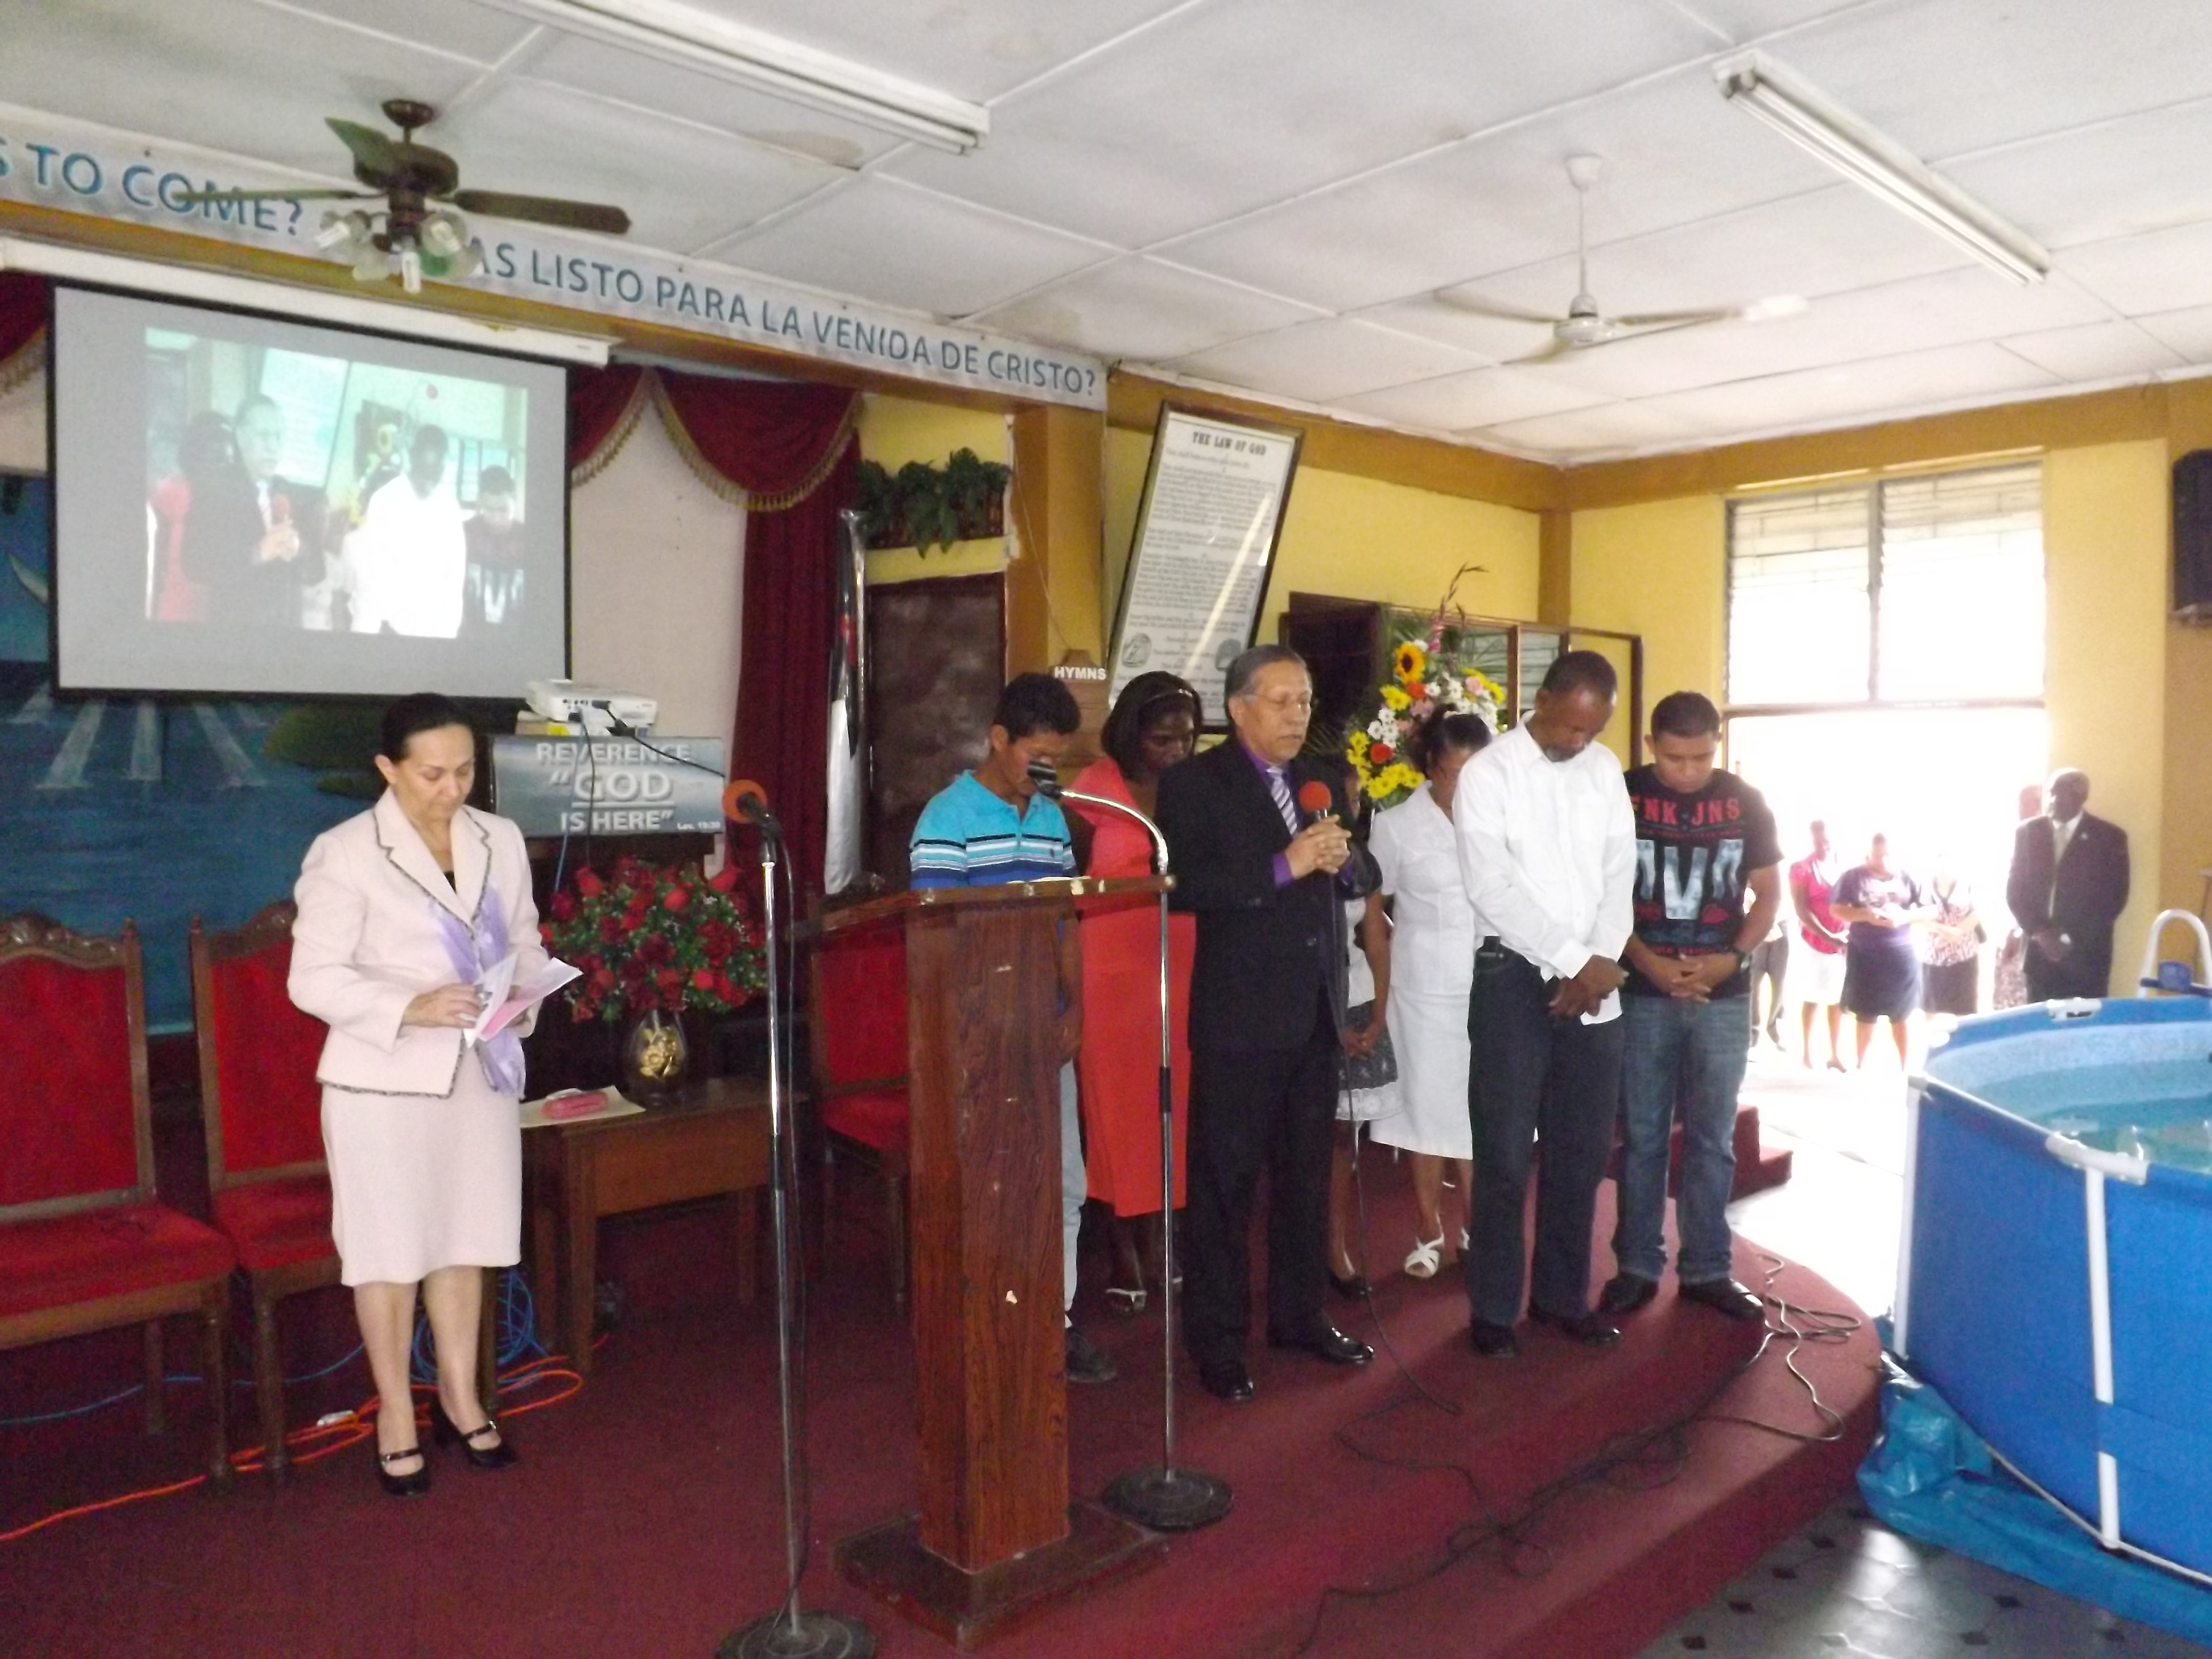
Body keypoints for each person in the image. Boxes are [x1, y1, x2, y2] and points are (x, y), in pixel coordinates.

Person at [287, 693, 541, 1498]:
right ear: (388, 769)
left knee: (466, 1238)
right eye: (432, 774)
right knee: (392, 1251)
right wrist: (410, 1006)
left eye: (465, 771)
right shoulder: (345, 851)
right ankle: (396, 1411)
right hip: (383, 1081)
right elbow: (311, 979)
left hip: (479, 1071)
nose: (451, 788)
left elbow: (526, 941)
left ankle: (460, 1397)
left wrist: (523, 998)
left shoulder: (500, 839)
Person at [1155, 644, 1376, 1403]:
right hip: (1239, 1018)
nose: (1297, 715)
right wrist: (1285, 865)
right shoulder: (1194, 783)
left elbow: (1362, 873)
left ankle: (1299, 1316)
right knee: (1225, 1185)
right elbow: (1185, 884)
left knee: (1306, 1177)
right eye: (1281, 701)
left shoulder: (1320, 781)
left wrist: (1345, 862)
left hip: (1314, 1012)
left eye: (1305, 701)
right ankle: (1217, 1341)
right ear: (1239, 707)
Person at [909, 672, 1114, 1386]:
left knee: (1062, 1181)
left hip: (1043, 1026)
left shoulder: (1053, 819)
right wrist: (975, 1024)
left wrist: (1074, 1008)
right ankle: (988, 1323)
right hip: (979, 1034)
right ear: (998, 739)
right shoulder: (947, 818)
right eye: (1037, 756)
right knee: (990, 1186)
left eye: (1057, 757)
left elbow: (1064, 920)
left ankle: (1055, 1319)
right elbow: (937, 938)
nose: (1047, 770)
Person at [1454, 650, 1636, 1359]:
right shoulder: (1489, 773)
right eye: (1569, 727)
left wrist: (1598, 963)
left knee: (1581, 1152)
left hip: (1594, 978)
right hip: (1512, 976)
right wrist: (1573, 959)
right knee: (1504, 1154)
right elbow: (1491, 888)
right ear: (1543, 700)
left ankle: (1562, 1298)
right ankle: (1494, 1310)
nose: (1578, 741)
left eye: (1592, 731)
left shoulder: (1604, 771)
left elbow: (1620, 874)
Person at [1603, 691, 1780, 1326]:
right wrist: (1646, 961)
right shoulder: (1620, 795)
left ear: (1716, 745)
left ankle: (1707, 1269)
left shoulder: (1745, 800)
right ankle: (1636, 1267)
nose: (1687, 771)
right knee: (1643, 1137)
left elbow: (1767, 895)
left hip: (1721, 995)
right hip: (1643, 990)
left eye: (1701, 758)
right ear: (1651, 745)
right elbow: (1599, 894)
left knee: (1712, 1139)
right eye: (1674, 758)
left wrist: (1730, 959)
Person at [1065, 672, 1201, 1315]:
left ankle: (1164, 1239)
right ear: (1129, 733)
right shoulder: (1092, 790)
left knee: (1174, 1107)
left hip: (1183, 962)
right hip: (1112, 967)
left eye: (1187, 737)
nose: (1176, 749)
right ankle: (1123, 1248)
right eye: (1161, 738)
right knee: (1117, 1113)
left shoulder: (1195, 788)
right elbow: (1067, 885)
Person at [1367, 710, 1489, 1280]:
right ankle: (1427, 1229)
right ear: (1431, 767)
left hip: (1487, 987)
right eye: (1454, 773)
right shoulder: (1396, 826)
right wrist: (1383, 986)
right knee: (1425, 1111)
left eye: (1476, 773)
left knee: (1477, 1112)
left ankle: (1477, 1229)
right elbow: (1373, 913)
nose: (1464, 786)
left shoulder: (1502, 821)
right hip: (1421, 993)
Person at [1327, 882, 1398, 1295]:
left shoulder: (1359, 863)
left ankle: (1334, 1247)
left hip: (1354, 995)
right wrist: (1332, 1024)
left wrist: (1377, 1015)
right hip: (1304, 1004)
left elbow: (1376, 942)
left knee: (1343, 1134)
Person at [2006, 769, 2130, 1003]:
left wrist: (2067, 938)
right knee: (2041, 1021)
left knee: (2082, 1022)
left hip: (2085, 958)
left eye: (2061, 794)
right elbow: (2015, 892)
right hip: (2039, 956)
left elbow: (2114, 899)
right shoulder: (2028, 833)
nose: (2053, 801)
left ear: (2081, 797)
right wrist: (2041, 933)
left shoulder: (2110, 838)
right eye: (2051, 793)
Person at [351, 425, 467, 639]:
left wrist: (448, 632)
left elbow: (454, 578)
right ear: (412, 459)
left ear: (444, 468)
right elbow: (370, 581)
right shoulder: (385, 501)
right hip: (387, 629)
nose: (428, 481)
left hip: (433, 632)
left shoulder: (449, 508)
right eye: (423, 470)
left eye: (435, 472)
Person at [1830, 832, 1934, 1068]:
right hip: (1864, 953)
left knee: (1901, 1014)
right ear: (1869, 853)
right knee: (1865, 1013)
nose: (1883, 861)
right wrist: (1865, 915)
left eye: (1887, 855)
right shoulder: (1853, 877)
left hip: (1901, 954)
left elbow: (1931, 910)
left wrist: (1904, 917)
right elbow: (1836, 909)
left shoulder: (1908, 876)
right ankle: (1860, 1065)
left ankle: (1905, 1067)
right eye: (1877, 856)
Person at [147, 411, 258, 624]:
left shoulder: (232, 500)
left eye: (226, 457)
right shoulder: (175, 492)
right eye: (214, 454)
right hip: (175, 614)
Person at [227, 394, 322, 628]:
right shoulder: (217, 491)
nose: (273, 446)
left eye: (279, 436)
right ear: (241, 437)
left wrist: (298, 549)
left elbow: (317, 572)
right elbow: (198, 565)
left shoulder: (294, 494)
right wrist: (256, 553)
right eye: (264, 436)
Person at [1785, 822, 1849, 1072]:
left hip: (1842, 942)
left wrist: (1845, 935)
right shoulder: (1801, 869)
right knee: (1812, 996)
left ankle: (1835, 1054)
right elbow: (1802, 909)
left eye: (1827, 841)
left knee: (1838, 999)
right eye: (1818, 841)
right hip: (1813, 941)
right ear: (1812, 841)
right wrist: (1829, 936)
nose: (1823, 846)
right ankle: (1806, 1054)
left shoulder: (1841, 868)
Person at [1992, 784, 2044, 1010]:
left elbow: (2038, 898)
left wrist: (2019, 931)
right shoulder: (2021, 837)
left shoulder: (2047, 843)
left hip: (2027, 939)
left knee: (2022, 1006)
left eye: (2026, 804)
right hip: (2009, 935)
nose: (2021, 810)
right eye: (2020, 804)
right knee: (2004, 1004)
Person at [463, 465, 527, 634]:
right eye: (490, 510)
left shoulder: (529, 539)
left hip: (517, 643)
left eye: (504, 510)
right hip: (469, 640)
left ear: (514, 500)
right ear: (480, 502)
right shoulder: (464, 535)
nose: (497, 518)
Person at [1919, 852, 1982, 1019]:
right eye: (1940, 860)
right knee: (1931, 1007)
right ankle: (1931, 1036)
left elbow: (1977, 914)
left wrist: (1957, 932)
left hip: (1964, 955)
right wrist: (1945, 932)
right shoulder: (1924, 886)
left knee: (1965, 1009)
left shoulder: (1968, 884)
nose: (1944, 865)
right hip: (1933, 956)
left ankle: (1965, 1037)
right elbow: (1920, 917)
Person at [1746, 907, 1789, 1052]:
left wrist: (1775, 922)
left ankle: (1775, 1030)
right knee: (1753, 983)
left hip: (1782, 923)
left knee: (1780, 982)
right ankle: (1753, 1035)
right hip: (1756, 921)